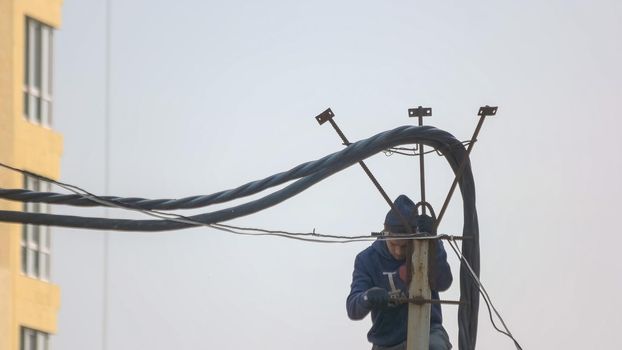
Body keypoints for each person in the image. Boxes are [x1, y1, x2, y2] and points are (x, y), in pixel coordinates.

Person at [346, 195, 453, 350]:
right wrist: (367, 297)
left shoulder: (427, 247)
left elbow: (444, 282)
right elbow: (352, 308)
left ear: (414, 238)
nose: (398, 251)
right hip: (387, 341)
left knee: (435, 346)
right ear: (385, 234)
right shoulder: (367, 260)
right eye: (393, 244)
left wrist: (433, 243)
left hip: (428, 332)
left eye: (405, 246)